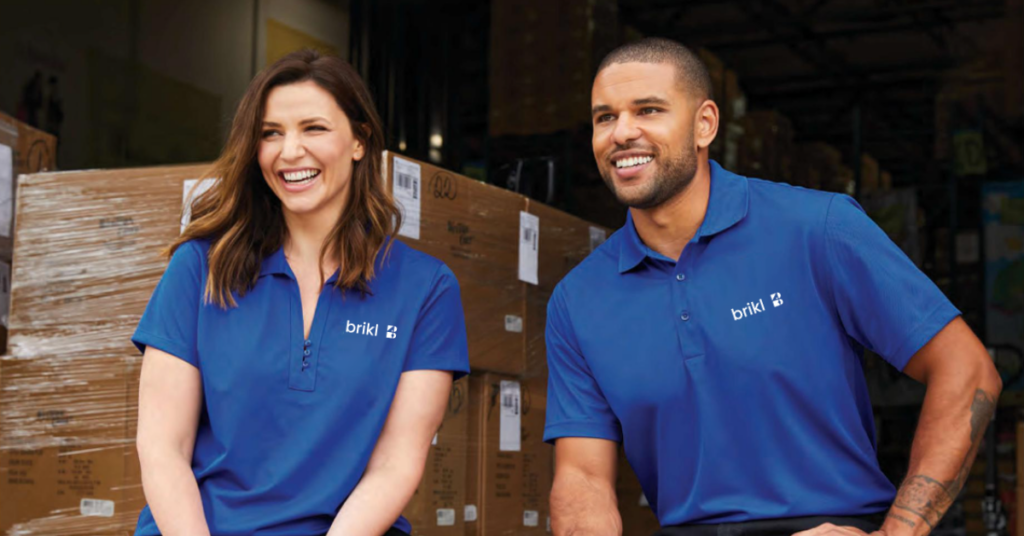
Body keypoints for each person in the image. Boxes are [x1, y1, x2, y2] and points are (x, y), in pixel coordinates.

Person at [544, 37, 1002, 536]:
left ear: (704, 125)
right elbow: (583, 477)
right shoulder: (578, 300)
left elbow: (967, 369)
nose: (622, 132)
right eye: (604, 117)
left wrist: (897, 533)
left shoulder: (817, 229)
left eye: (648, 110)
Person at [133, 49, 469, 536]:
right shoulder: (199, 268)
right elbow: (163, 448)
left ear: (359, 140)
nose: (289, 151)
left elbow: (396, 464)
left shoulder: (426, 288)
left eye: (314, 128)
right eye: (271, 133)